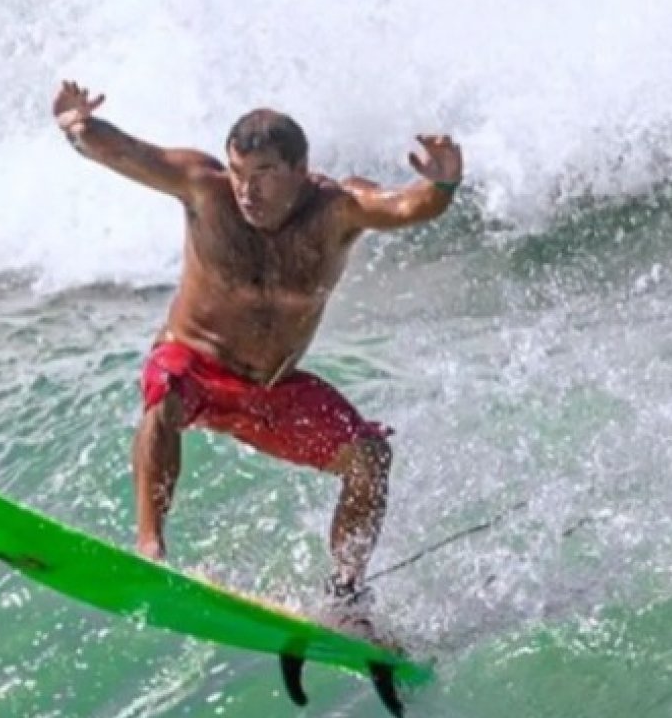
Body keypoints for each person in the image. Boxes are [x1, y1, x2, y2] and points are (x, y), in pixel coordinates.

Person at [52, 80, 463, 619]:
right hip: (195, 365)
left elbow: (408, 205)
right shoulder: (204, 189)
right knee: (166, 384)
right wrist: (77, 127)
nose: (248, 191)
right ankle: (150, 549)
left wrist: (444, 183)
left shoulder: (336, 210)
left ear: (300, 168)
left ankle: (344, 594)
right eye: (240, 173)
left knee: (369, 456)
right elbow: (126, 153)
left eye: (265, 175)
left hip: (270, 391)